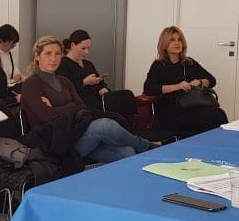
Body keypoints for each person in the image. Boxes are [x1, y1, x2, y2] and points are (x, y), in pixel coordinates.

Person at [22, 36, 152, 164]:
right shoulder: (31, 84)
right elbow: (49, 118)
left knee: (127, 152)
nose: (53, 59)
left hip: (76, 133)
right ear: (37, 56)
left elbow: (81, 106)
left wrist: (57, 109)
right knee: (104, 125)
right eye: (48, 54)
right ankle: (147, 146)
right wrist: (71, 106)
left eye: (57, 54)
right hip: (55, 143)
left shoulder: (65, 81)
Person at [143, 26, 227, 138]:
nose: (177, 43)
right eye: (172, 40)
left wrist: (199, 82)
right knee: (211, 117)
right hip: (171, 110)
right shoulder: (159, 65)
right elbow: (149, 89)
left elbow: (212, 80)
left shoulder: (189, 63)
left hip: (193, 106)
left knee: (218, 113)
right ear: (165, 44)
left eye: (180, 40)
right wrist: (177, 86)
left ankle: (222, 144)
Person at [57, 29, 109, 110]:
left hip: (97, 104)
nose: (86, 52)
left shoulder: (88, 64)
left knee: (125, 96)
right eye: (83, 48)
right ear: (73, 45)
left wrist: (103, 88)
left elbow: (100, 83)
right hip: (80, 108)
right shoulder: (62, 64)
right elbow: (63, 91)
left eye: (88, 48)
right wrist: (84, 82)